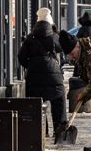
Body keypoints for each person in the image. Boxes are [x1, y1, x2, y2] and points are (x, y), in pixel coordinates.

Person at [19, 8, 67, 138]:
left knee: (36, 106)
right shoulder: (55, 37)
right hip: (54, 76)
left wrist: (32, 66)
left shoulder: (30, 39)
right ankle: (60, 132)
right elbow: (62, 50)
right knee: (59, 102)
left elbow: (21, 57)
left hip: (34, 78)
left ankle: (39, 134)